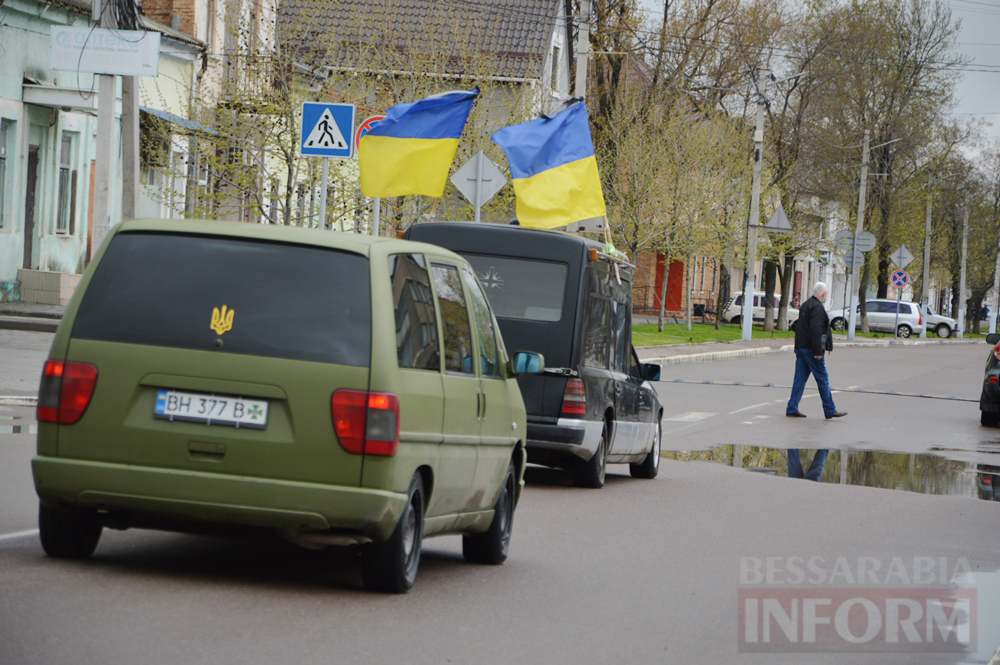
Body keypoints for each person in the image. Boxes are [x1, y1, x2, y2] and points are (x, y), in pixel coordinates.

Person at [785, 281, 846, 481]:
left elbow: (800, 327)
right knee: (822, 379)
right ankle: (829, 409)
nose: (827, 297)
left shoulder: (805, 304)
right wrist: (819, 351)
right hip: (811, 350)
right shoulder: (818, 308)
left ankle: (792, 407)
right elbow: (817, 330)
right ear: (822, 294)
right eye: (826, 294)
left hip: (800, 348)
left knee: (799, 379)